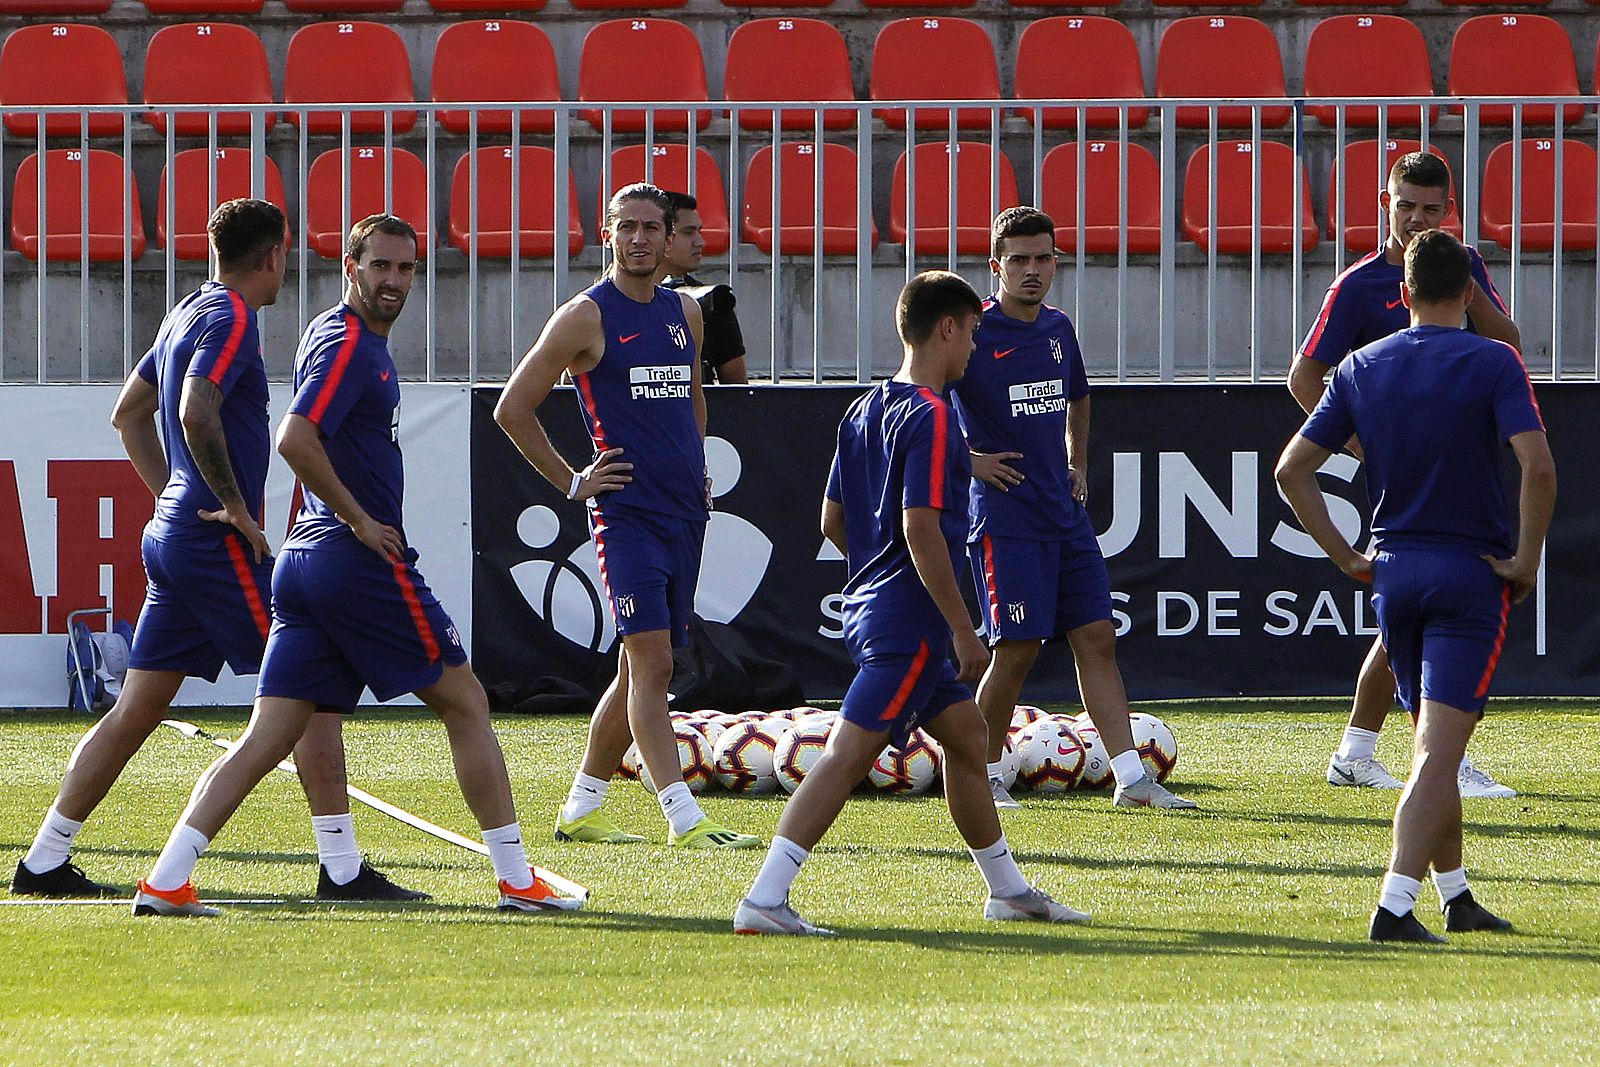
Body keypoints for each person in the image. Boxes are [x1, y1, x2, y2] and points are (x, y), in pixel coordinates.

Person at [131, 214, 579, 916]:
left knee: (271, 732)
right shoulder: (348, 344)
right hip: (351, 559)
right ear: (350, 265)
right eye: (381, 267)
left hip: (306, 564)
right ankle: (517, 878)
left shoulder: (329, 334)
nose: (394, 281)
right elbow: (295, 436)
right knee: (467, 702)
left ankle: (167, 875)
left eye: (405, 269)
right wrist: (360, 518)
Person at [10, 200, 419, 903]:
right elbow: (197, 406)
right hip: (212, 540)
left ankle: (44, 858)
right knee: (310, 687)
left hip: (175, 537)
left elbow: (128, 413)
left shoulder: (186, 309)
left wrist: (174, 491)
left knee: (135, 710)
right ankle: (342, 868)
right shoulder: (232, 319)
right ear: (275, 254)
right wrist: (229, 503)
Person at [733, 271, 1090, 936]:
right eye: (973, 335)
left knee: (967, 737)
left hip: (872, 604)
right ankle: (765, 897)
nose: (977, 349)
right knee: (846, 754)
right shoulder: (934, 415)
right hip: (913, 620)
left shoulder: (864, 408)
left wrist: (877, 575)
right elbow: (919, 526)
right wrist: (960, 625)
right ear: (948, 328)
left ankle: (1008, 890)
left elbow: (832, 520)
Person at [1276, 230, 1554, 942]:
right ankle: (1395, 904)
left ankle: (1456, 896)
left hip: (1394, 572)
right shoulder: (1495, 360)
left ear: (1402, 294)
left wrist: (1343, 554)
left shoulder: (1362, 364)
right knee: (1439, 755)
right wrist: (1525, 559)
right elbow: (1540, 467)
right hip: (1470, 573)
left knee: (1433, 743)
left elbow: (1291, 470)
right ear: (1469, 292)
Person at [496, 183, 759, 850]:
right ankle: (683, 817)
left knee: (637, 667)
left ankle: (581, 807)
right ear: (607, 236)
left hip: (684, 513)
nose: (639, 238)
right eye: (627, 227)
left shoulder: (686, 313)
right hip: (627, 516)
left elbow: (694, 397)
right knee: (656, 664)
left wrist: (696, 463)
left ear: (669, 238)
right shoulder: (586, 316)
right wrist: (573, 480)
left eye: (651, 227)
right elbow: (512, 406)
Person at [1291, 152, 1522, 799]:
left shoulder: (1458, 269)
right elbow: (1303, 376)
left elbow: (1510, 345)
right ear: (1383, 204)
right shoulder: (1360, 284)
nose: (1416, 219)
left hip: (1457, 467)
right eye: (1404, 206)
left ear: (1448, 209)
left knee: (1409, 617)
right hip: (1407, 483)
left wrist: (1472, 282)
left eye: (1429, 209)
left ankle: (1356, 751)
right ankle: (1442, 758)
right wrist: (1362, 445)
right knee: (1441, 608)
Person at [949, 207, 1194, 811]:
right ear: (995, 266)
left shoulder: (1058, 328)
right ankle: (981, 773)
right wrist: (970, 461)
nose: (1033, 271)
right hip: (1006, 517)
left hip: (1064, 512)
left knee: (1097, 637)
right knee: (1018, 648)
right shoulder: (970, 332)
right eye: (1019, 260)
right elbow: (916, 405)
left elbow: (1078, 397)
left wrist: (1075, 461)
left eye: (1043, 258)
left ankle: (1132, 780)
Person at [657, 190, 748, 384]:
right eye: (688, 232)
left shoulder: (713, 301)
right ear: (661, 237)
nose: (700, 242)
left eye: (699, 231)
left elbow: (737, 391)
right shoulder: (602, 303)